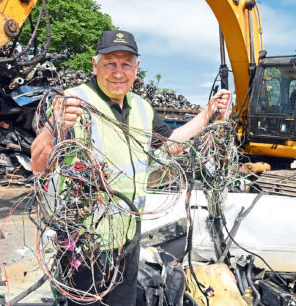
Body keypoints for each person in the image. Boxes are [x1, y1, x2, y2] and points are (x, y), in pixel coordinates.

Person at [31, 30, 231, 305]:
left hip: (128, 237)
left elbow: (171, 145)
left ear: (136, 68)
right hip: (87, 243)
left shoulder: (142, 107)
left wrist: (207, 113)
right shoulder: (71, 101)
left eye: (126, 64)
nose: (118, 72)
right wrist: (54, 127)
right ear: (95, 64)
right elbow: (38, 165)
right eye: (110, 63)